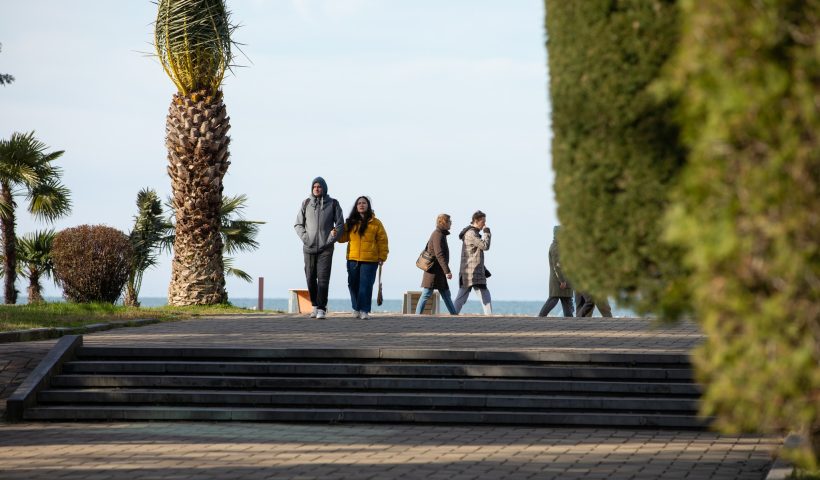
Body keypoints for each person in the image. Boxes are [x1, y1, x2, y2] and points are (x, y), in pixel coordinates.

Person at [294, 177, 344, 319]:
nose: (316, 188)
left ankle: (322, 308)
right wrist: (306, 238)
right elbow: (298, 224)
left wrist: (330, 240)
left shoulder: (333, 203)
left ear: (324, 188)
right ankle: (315, 305)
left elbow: (340, 225)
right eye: (314, 186)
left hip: (326, 249)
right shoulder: (306, 203)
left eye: (319, 186)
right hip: (308, 248)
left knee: (323, 278)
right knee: (310, 278)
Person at [337, 196, 389, 320]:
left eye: (364, 203)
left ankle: (364, 310)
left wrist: (382, 256)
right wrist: (336, 232)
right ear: (356, 206)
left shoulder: (376, 223)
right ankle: (356, 308)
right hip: (353, 259)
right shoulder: (350, 222)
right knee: (352, 285)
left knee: (366, 286)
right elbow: (342, 239)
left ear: (368, 205)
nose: (361, 205)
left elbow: (382, 240)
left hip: (370, 260)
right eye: (359, 203)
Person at [416, 214, 457, 315]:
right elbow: (439, 254)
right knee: (427, 293)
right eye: (449, 221)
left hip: (438, 271)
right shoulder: (437, 235)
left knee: (446, 294)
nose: (451, 223)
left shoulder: (440, 234)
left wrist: (445, 271)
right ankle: (417, 316)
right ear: (443, 222)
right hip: (433, 271)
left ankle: (454, 315)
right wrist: (447, 271)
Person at [454, 210, 493, 314]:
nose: (484, 224)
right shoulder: (471, 233)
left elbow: (475, 253)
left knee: (463, 296)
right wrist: (487, 232)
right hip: (472, 271)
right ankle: (489, 317)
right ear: (476, 221)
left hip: (470, 270)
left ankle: (453, 314)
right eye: (483, 222)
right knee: (483, 294)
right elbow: (485, 246)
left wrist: (484, 269)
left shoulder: (472, 232)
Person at [538, 225, 573, 317]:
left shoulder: (560, 246)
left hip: (564, 279)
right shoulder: (556, 247)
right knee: (553, 299)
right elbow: (557, 266)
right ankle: (540, 317)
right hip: (560, 280)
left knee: (566, 301)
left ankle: (570, 322)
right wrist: (562, 281)